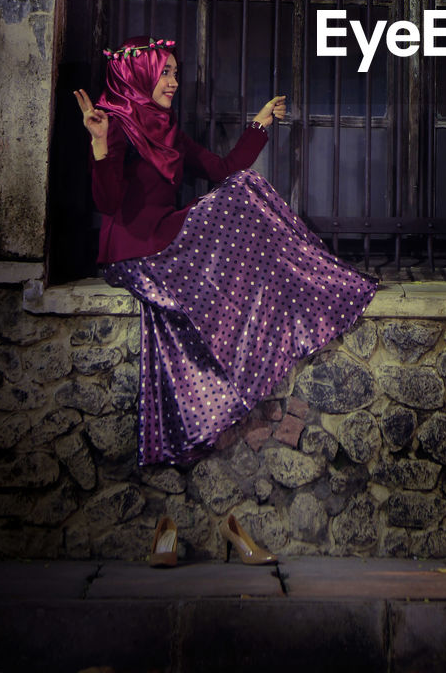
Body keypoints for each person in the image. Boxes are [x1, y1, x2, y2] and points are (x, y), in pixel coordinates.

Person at [74, 36, 378, 473]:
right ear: (137, 75)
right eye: (165, 73)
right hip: (136, 253)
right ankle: (312, 278)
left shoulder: (167, 127)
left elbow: (220, 170)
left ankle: (306, 280)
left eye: (176, 72)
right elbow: (106, 202)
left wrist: (259, 125)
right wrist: (99, 144)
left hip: (167, 239)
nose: (174, 81)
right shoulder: (116, 124)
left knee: (245, 187)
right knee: (244, 193)